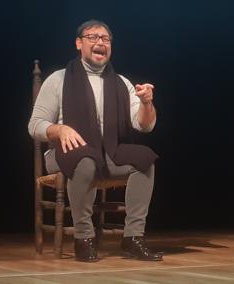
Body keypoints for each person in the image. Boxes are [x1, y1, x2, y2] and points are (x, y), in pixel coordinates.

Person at [29, 20, 162, 262]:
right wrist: (59, 130)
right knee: (86, 161)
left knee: (144, 159)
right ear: (79, 43)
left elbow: (145, 125)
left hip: (108, 153)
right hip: (64, 153)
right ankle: (83, 237)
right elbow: (34, 124)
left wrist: (146, 103)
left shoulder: (122, 83)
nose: (100, 42)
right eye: (93, 37)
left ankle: (133, 237)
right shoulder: (59, 79)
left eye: (106, 39)